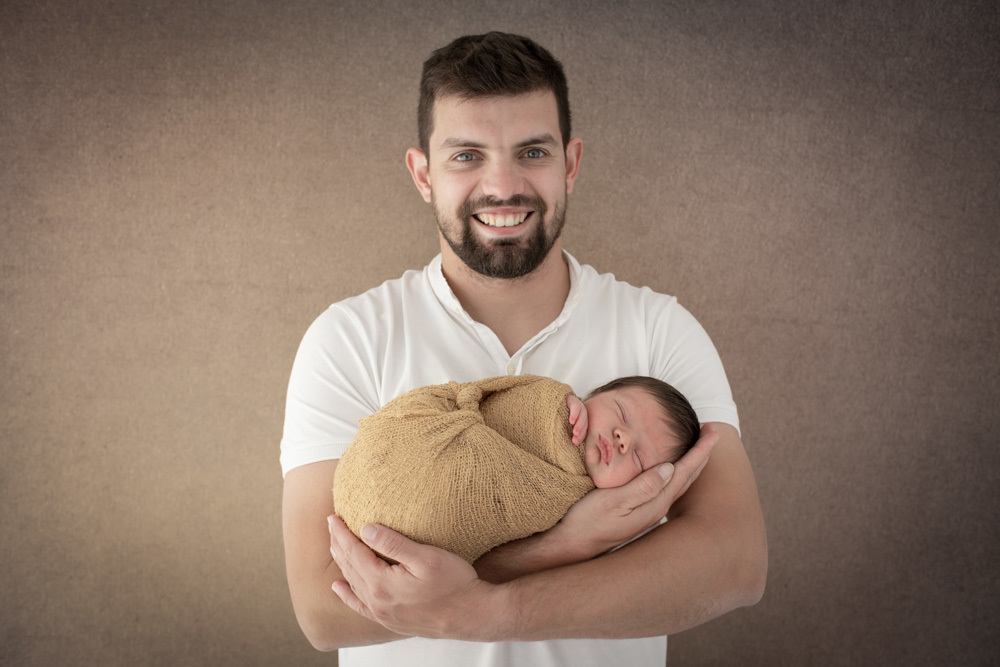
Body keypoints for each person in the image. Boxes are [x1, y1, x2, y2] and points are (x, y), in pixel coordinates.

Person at [281, 31, 767, 666]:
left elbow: (735, 560)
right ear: (423, 174)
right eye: (466, 156)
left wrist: (491, 609)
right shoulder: (349, 339)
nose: (503, 185)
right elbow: (322, 607)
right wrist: (559, 548)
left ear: (570, 162)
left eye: (532, 151)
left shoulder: (660, 331)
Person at [333, 374, 701, 564]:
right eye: (621, 414)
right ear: (594, 393)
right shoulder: (555, 402)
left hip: (434, 516)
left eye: (639, 458)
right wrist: (557, 404)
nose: (623, 439)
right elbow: (512, 405)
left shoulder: (585, 508)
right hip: (405, 450)